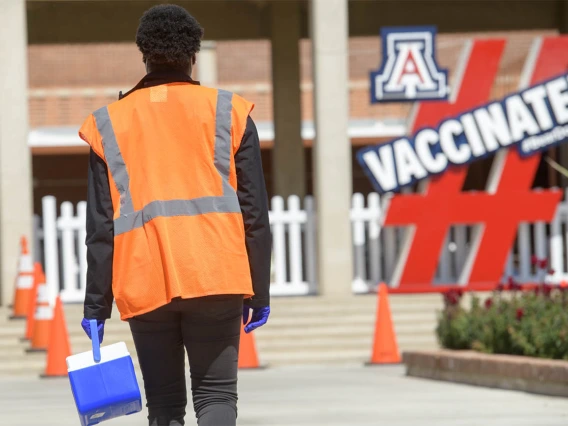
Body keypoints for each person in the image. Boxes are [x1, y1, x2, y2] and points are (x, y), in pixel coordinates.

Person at [77, 4, 272, 426]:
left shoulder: (108, 123)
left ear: (143, 53)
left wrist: (96, 306)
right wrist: (259, 291)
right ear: (194, 54)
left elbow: (100, 228)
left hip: (144, 280)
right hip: (217, 274)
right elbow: (255, 213)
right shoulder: (230, 112)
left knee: (164, 405)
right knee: (216, 396)